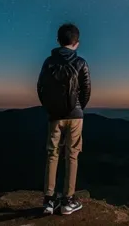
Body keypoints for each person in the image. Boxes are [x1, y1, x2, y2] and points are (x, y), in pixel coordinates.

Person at [37, 23, 91, 215]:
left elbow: (40, 88)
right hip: (75, 116)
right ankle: (68, 201)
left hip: (54, 116)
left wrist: (50, 107)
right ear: (77, 43)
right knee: (72, 154)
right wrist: (77, 109)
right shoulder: (81, 62)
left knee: (52, 154)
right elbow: (86, 91)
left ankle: (49, 201)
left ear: (58, 40)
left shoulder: (48, 62)